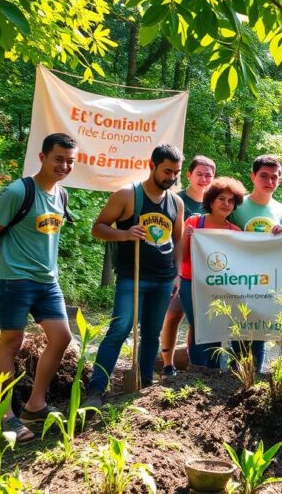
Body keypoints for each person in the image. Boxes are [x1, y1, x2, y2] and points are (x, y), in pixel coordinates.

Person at [0, 133, 77, 442]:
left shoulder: (61, 195)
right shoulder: (17, 192)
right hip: (15, 278)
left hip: (48, 281)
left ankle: (35, 405)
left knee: (61, 338)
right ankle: (4, 414)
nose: (64, 165)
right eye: (58, 159)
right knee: (11, 341)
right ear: (42, 157)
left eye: (70, 161)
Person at [86, 144, 185, 405]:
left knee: (152, 333)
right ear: (151, 166)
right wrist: (124, 234)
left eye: (176, 172)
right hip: (133, 277)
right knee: (119, 328)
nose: (172, 178)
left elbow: (178, 240)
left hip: (164, 280)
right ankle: (96, 388)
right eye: (167, 171)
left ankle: (143, 385)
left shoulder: (176, 203)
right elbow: (98, 228)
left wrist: (177, 273)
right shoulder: (127, 195)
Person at [228, 154, 282, 373]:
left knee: (260, 331)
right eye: (264, 175)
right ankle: (235, 374)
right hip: (238, 279)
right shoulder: (235, 205)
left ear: (279, 181)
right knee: (239, 328)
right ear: (253, 176)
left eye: (274, 177)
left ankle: (255, 376)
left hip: (267, 281)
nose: (269, 181)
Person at [178, 177, 245, 368]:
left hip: (220, 287)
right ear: (211, 200)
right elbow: (180, 256)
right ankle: (198, 371)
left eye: (231, 201)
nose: (226, 204)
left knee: (215, 326)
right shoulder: (194, 223)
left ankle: (214, 371)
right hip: (191, 283)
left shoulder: (235, 232)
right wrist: (186, 237)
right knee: (199, 326)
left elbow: (239, 263)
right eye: (222, 199)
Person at [160, 156, 216, 377]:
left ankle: (193, 363)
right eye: (200, 174)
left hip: (205, 273)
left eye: (209, 175)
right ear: (189, 175)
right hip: (178, 270)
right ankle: (167, 363)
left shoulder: (215, 201)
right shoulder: (175, 199)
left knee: (197, 319)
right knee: (173, 316)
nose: (204, 179)